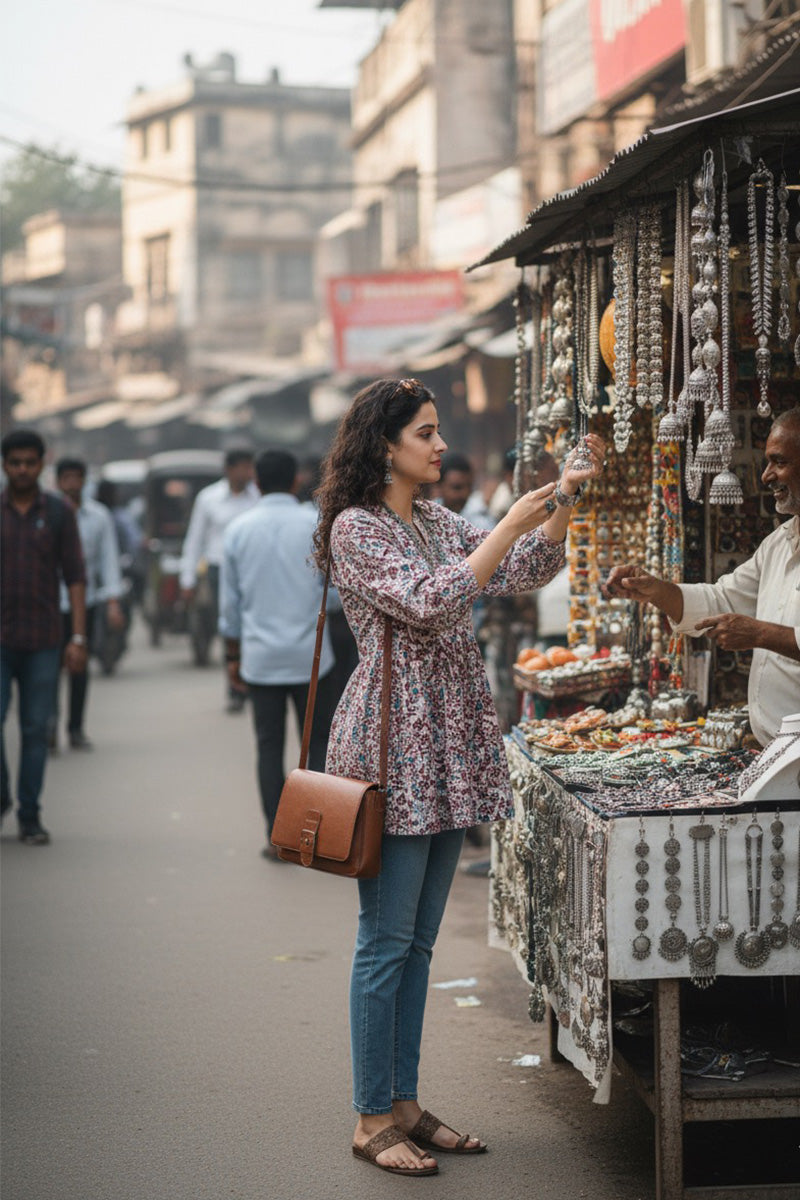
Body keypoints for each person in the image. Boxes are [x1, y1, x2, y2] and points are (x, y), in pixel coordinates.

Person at [312, 377, 605, 1174]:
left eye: (439, 433)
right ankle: (371, 1116)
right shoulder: (356, 531)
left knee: (419, 944)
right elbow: (438, 602)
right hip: (395, 744)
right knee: (385, 942)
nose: (441, 447)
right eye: (426, 434)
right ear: (385, 446)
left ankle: (405, 1103)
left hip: (449, 739)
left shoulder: (433, 516)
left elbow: (523, 571)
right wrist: (508, 519)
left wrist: (563, 501)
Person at [605, 407, 800, 747]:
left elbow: (758, 629)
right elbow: (721, 599)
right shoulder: (779, 544)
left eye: (779, 462)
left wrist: (760, 633)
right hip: (778, 751)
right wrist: (655, 590)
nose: (766, 475)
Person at [219, 449, 339, 858]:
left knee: (269, 747)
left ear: (256, 481)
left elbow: (230, 606)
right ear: (295, 481)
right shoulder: (317, 525)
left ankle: (278, 835)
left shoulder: (238, 530)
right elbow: (336, 595)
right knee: (319, 744)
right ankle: (317, 835)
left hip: (261, 659)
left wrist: (232, 657)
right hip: (312, 658)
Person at [1, 430, 87, 844]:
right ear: (4, 465)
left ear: (41, 464)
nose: (21, 469)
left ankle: (29, 815)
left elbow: (75, 577)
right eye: (14, 462)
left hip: (43, 640)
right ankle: (2, 795)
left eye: (29, 462)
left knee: (36, 729)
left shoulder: (56, 512)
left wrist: (78, 639)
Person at [53, 458, 124, 750]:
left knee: (79, 665)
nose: (71, 484)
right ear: (58, 482)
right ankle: (47, 727)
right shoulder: (49, 513)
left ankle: (76, 728)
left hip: (86, 601)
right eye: (66, 478)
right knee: (49, 669)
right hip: (50, 603)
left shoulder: (99, 516)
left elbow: (109, 558)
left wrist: (112, 601)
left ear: (84, 481)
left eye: (76, 477)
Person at [179, 448, 259, 711]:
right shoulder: (209, 498)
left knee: (253, 628)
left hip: (252, 570)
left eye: (250, 467)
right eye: (243, 467)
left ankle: (253, 683)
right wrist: (187, 578)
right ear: (229, 469)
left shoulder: (257, 497)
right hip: (219, 570)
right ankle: (234, 687)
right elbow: (195, 539)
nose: (248, 473)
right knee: (229, 626)